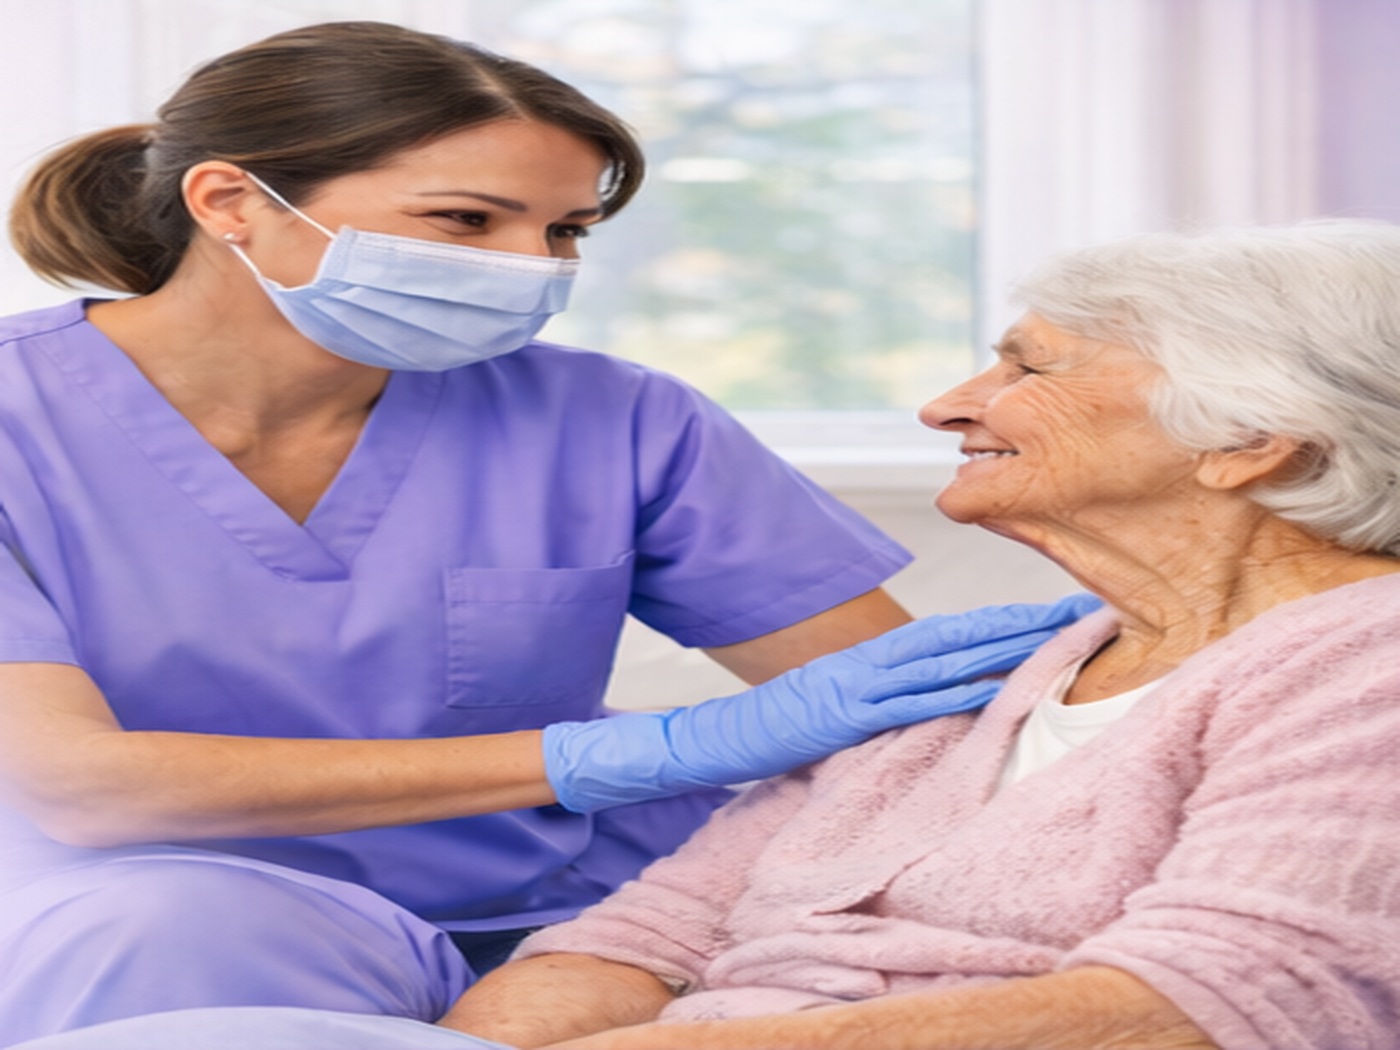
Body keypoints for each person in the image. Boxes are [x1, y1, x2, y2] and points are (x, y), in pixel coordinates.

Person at [0, 19, 1093, 1046]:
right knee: (162, 938)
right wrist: (632, 751)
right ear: (230, 201)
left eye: (564, 230)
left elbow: (901, 713)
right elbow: (83, 785)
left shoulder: (613, 417)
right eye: (467, 221)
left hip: (591, 906)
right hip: (180, 912)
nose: (534, 265)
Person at [423, 220, 1400, 1050]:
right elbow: (637, 942)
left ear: (1247, 440)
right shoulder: (984, 674)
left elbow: (1212, 1004)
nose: (945, 407)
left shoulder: (1366, 667)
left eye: (1028, 367)